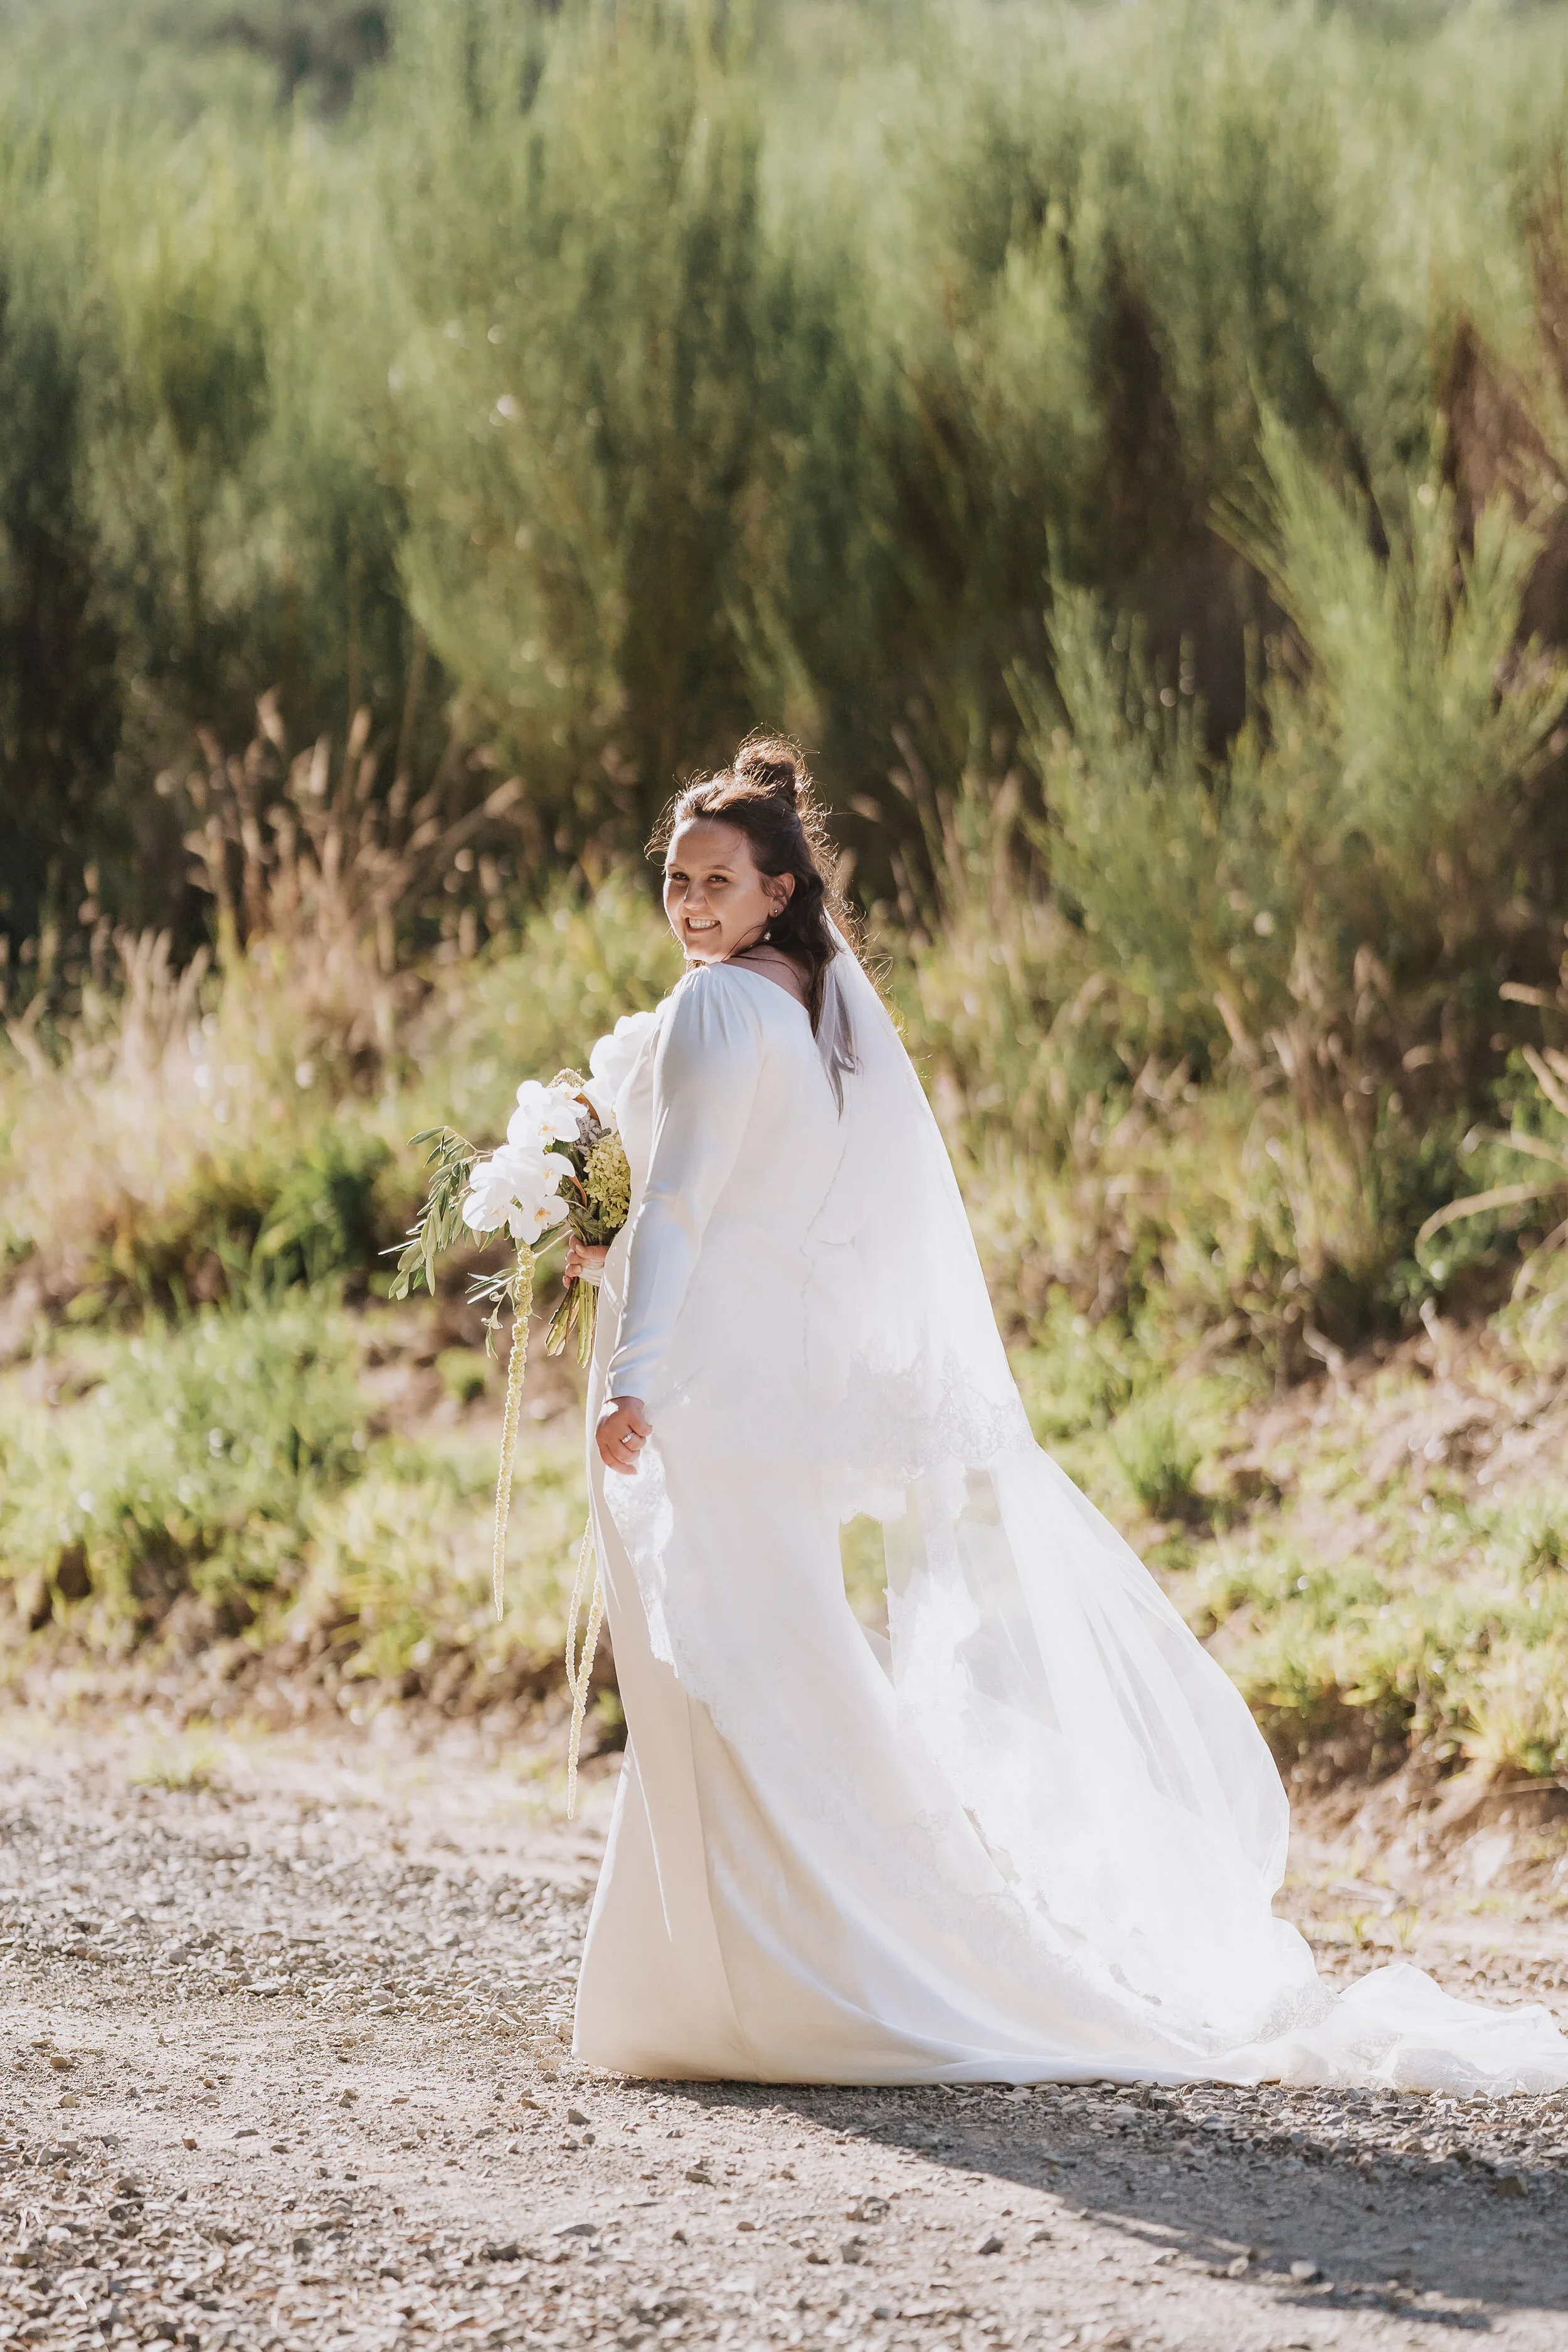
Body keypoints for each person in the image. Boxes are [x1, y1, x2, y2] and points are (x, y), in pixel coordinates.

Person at [561, 733, 1568, 2092]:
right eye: (675, 883)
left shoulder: (716, 1010)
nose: (688, 907)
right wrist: (599, 1230)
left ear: (778, 891)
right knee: (771, 1657)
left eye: (716, 882)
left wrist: (631, 1373)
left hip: (701, 1393)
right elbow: (764, 1199)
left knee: (739, 1667)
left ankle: (799, 1983)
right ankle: (732, 1979)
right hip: (767, 1390)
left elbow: (683, 1202)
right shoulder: (817, 1010)